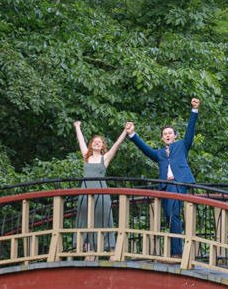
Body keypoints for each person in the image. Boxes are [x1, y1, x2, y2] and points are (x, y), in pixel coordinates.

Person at [125, 98, 200, 257]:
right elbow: (145, 149)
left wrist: (194, 111)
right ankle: (177, 249)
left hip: (179, 183)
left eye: (170, 133)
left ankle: (177, 253)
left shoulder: (182, 146)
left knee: (173, 214)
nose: (167, 135)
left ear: (174, 136)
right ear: (162, 138)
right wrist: (132, 134)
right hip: (166, 186)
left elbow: (190, 132)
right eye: (165, 134)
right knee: (170, 216)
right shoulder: (159, 153)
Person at [74, 120, 123, 252]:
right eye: (94, 141)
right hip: (85, 191)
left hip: (101, 193)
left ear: (102, 146)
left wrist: (125, 131)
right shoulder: (86, 156)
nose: (96, 143)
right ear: (91, 145)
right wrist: (77, 127)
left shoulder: (105, 158)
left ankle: (109, 249)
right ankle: (87, 249)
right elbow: (81, 141)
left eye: (99, 142)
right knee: (84, 219)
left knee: (103, 218)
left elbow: (116, 145)